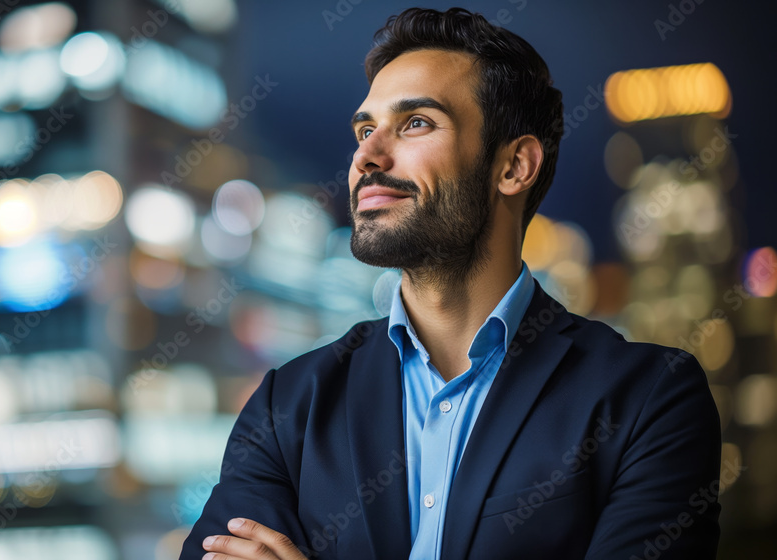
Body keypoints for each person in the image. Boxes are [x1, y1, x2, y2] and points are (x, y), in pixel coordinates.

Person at [180, 7, 721, 560]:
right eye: (365, 129)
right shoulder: (288, 404)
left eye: (415, 123)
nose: (366, 155)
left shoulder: (649, 399)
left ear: (513, 166)